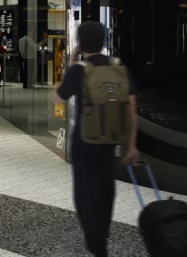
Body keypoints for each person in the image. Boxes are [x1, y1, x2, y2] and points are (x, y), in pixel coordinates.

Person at [52, 21, 138, 257]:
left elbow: (57, 98)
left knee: (84, 193)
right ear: (104, 40)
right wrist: (131, 145)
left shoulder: (79, 69)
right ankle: (103, 233)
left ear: (80, 43)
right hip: (111, 142)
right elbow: (131, 108)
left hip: (84, 141)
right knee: (105, 188)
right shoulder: (119, 67)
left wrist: (71, 64)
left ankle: (96, 242)